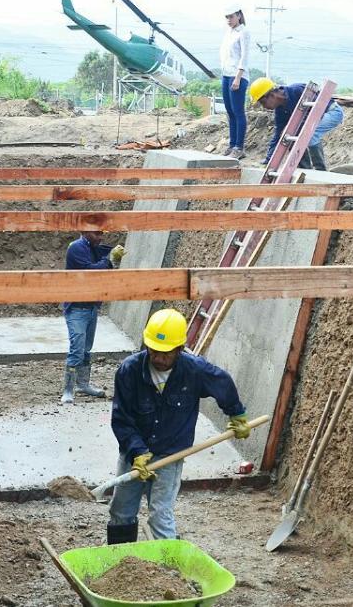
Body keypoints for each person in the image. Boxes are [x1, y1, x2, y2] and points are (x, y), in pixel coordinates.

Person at [106, 309, 252, 543]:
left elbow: (222, 382)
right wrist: (137, 451)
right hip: (134, 454)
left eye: (165, 353)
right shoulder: (129, 371)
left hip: (170, 454)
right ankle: (119, 561)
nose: (158, 358)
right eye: (153, 351)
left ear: (179, 350)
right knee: (121, 511)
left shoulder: (193, 370)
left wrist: (237, 414)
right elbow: (121, 418)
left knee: (160, 515)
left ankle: (170, 566)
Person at [61, 230, 126, 404]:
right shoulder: (76, 248)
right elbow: (90, 272)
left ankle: (83, 384)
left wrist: (113, 257)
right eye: (97, 234)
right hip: (76, 308)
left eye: (101, 234)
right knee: (77, 348)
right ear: (85, 232)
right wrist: (109, 260)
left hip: (90, 308)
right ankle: (68, 390)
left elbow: (103, 261)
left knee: (86, 349)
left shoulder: (92, 247)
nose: (100, 237)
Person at [247, 77, 345, 171]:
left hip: (331, 112)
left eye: (263, 103)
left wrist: (300, 129)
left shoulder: (297, 90)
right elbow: (278, 135)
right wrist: (268, 160)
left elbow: (318, 111)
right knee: (290, 136)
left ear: (272, 95)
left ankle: (320, 170)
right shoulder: (280, 110)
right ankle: (305, 169)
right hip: (315, 119)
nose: (264, 107)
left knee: (311, 134)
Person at [219, 5, 251, 160]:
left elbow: (244, 56)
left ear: (238, 15)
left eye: (231, 17)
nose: (228, 20)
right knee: (230, 112)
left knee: (238, 111)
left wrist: (238, 77)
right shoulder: (228, 33)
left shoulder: (243, 32)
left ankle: (239, 147)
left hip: (238, 75)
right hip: (226, 74)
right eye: (226, 17)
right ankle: (232, 145)